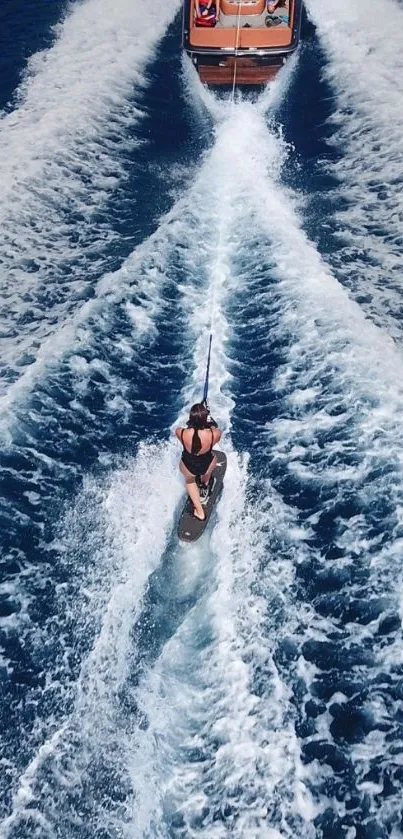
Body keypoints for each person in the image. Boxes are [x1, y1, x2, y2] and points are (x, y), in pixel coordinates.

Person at [175, 403, 222, 521]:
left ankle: (199, 512)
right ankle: (204, 485)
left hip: (188, 467)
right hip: (205, 466)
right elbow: (215, 429)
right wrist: (210, 422)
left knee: (190, 480)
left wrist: (191, 424)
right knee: (214, 458)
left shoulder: (181, 433)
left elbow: (182, 429)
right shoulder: (213, 435)